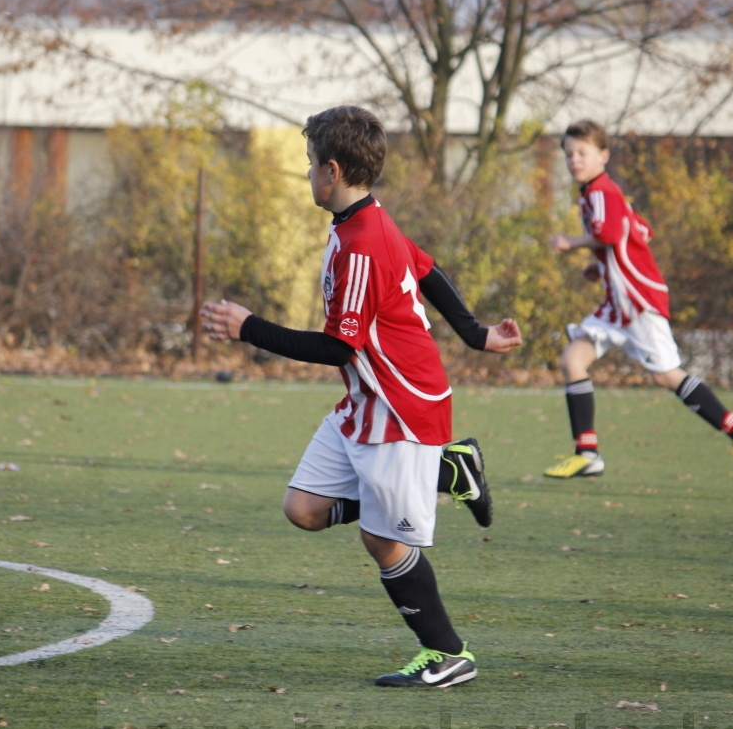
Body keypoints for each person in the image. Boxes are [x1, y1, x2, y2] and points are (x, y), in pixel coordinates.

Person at [200, 105, 522, 687]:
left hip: (402, 407)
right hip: (366, 403)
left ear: (332, 168)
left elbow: (338, 349)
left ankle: (449, 654)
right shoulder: (364, 221)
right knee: (303, 509)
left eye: (308, 166)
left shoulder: (363, 244)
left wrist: (248, 327)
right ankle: (449, 472)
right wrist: (476, 334)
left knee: (381, 538)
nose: (305, 177)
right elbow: (426, 269)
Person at [545, 119, 733, 480]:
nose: (574, 160)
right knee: (572, 360)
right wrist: (602, 267)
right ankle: (588, 452)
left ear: (603, 155)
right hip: (617, 304)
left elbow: (611, 232)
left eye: (582, 153)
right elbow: (638, 229)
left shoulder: (602, 191)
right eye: (569, 154)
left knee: (667, 376)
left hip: (637, 303)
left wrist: (573, 242)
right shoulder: (597, 193)